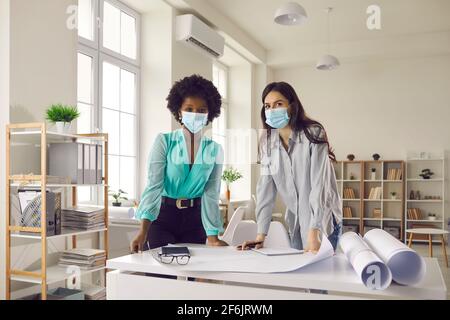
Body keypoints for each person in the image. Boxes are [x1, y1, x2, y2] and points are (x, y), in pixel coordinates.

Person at [240, 82, 342, 252]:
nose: (272, 110)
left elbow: (319, 186)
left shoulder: (314, 133)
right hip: (296, 224)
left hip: (322, 223)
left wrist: (314, 233)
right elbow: (265, 189)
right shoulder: (267, 143)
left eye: (279, 104)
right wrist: (260, 236)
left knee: (322, 275)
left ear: (292, 107)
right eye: (267, 106)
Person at [130, 74, 227, 253]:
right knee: (162, 274)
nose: (195, 114)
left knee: (189, 276)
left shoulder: (214, 149)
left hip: (194, 220)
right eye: (189, 109)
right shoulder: (164, 142)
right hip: (163, 217)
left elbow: (211, 193)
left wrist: (213, 237)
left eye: (201, 110)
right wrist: (143, 230)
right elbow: (154, 186)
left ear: (209, 114)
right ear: (179, 111)